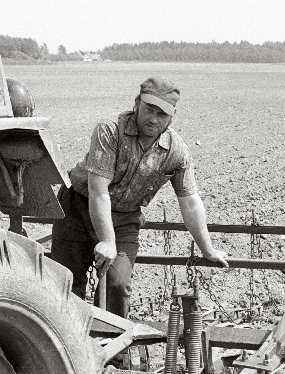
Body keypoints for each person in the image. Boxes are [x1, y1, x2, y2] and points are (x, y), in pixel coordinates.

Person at [51, 76, 228, 318]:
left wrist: (207, 250)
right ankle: (68, 344)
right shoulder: (110, 130)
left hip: (125, 218)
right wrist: (106, 241)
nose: (153, 119)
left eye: (162, 114)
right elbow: (98, 191)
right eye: (149, 109)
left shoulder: (176, 151)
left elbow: (190, 201)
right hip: (78, 208)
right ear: (137, 103)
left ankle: (115, 349)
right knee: (68, 283)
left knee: (117, 284)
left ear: (171, 117)